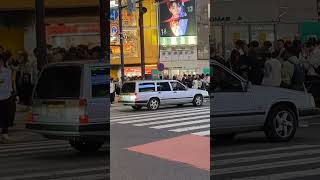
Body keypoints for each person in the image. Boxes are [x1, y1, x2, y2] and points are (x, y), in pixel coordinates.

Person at [0, 56, 13, 143]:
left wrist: (10, 93)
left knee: (5, 116)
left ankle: (5, 133)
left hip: (5, 96)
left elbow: (9, 84)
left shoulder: (7, 71)